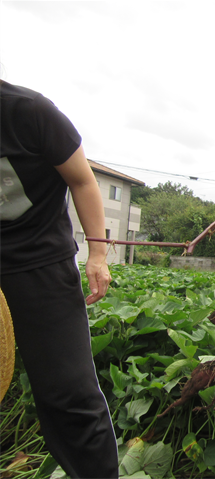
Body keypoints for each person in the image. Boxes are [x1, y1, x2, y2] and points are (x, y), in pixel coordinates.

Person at [0, 80, 119, 478]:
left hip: (39, 262)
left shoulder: (29, 112)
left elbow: (83, 180)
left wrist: (98, 254)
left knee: (67, 394)